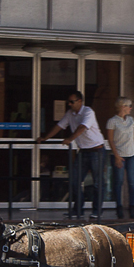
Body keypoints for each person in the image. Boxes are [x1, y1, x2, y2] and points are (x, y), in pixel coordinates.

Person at [39, 90, 106, 219]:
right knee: (75, 181)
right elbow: (59, 126)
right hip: (83, 151)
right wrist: (45, 137)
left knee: (98, 183)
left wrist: (70, 139)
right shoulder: (70, 114)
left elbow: (82, 127)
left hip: (96, 151)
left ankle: (96, 211)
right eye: (68, 102)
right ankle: (77, 210)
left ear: (80, 101)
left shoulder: (88, 112)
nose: (69, 104)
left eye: (72, 102)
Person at [106, 96, 134, 219]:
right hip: (119, 155)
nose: (131, 108)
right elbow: (110, 140)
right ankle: (119, 207)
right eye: (129, 106)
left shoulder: (131, 120)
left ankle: (132, 207)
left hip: (131, 155)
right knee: (118, 182)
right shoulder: (112, 121)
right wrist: (116, 156)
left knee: (132, 182)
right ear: (122, 106)